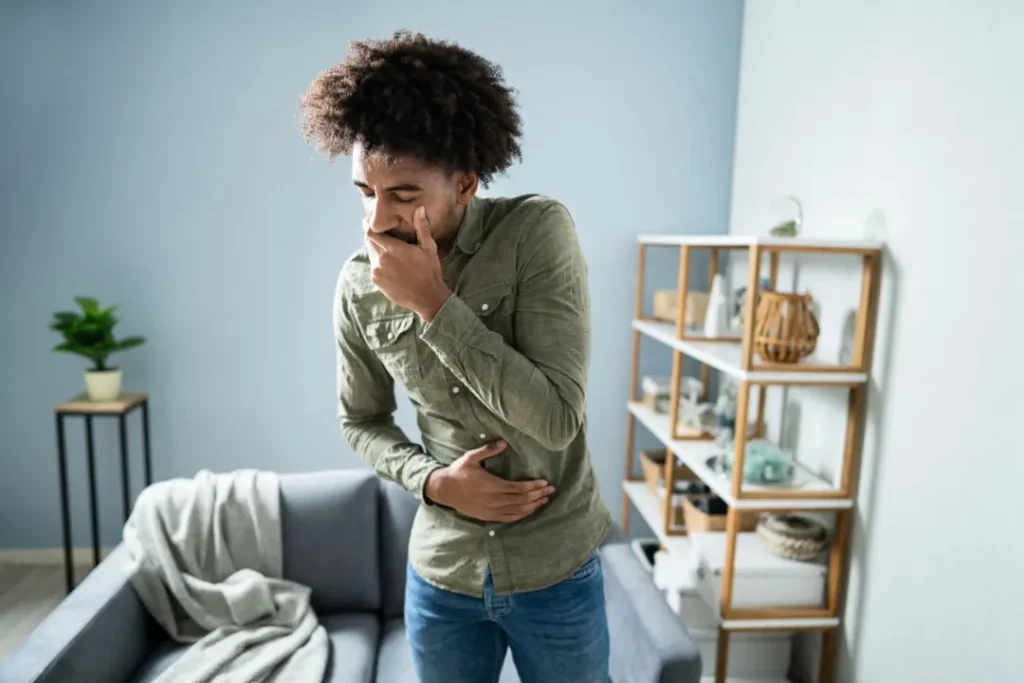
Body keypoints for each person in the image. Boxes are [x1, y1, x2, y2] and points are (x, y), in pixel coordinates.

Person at [300, 30, 613, 683]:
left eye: (404, 195)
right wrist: (432, 482)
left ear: (465, 183)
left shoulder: (535, 233)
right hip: (442, 577)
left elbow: (557, 417)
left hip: (555, 568)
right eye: (365, 190)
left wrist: (435, 305)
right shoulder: (358, 284)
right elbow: (361, 420)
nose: (376, 218)